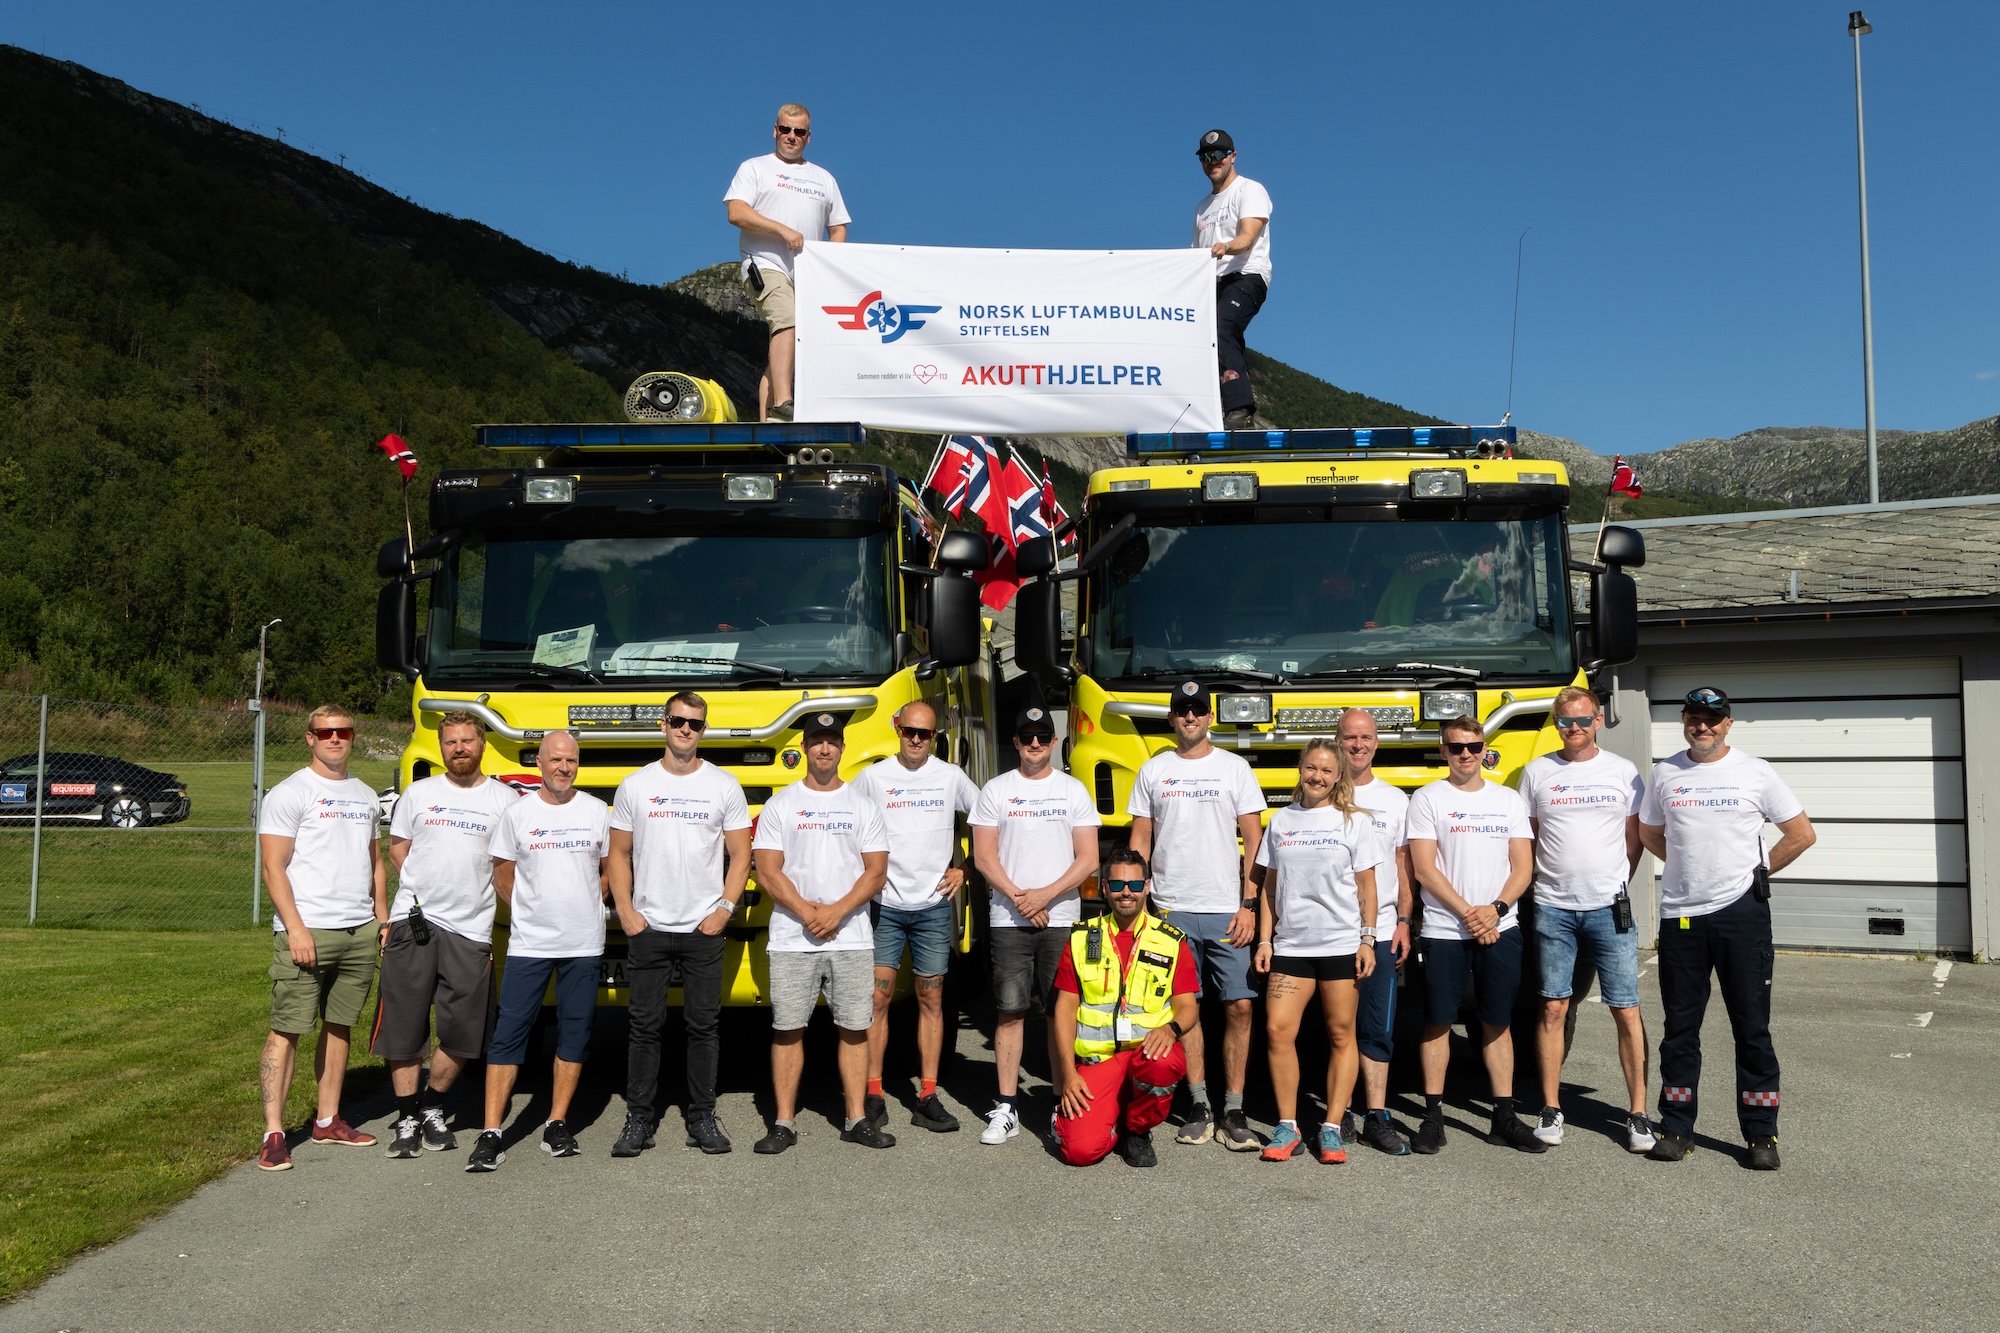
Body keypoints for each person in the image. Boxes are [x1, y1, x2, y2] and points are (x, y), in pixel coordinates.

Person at [1638, 687, 1816, 1170]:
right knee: (1680, 1031)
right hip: (1682, 917)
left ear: (1728, 724)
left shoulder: (1756, 772)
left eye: (1713, 719)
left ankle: (1762, 1136)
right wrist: (1685, 868)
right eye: (1695, 718)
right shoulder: (1665, 772)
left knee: (1752, 1029)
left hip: (1742, 915)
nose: (1703, 727)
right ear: (1683, 722)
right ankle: (1676, 1127)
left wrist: (1756, 874)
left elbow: (1801, 834)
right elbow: (1648, 832)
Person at [607, 690, 752, 1158]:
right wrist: (626, 912)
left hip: (702, 929)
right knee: (643, 1027)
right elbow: (619, 854)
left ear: (703, 729)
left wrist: (724, 910)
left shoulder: (724, 785)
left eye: (694, 723)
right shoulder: (635, 785)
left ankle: (702, 1116)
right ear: (663, 724)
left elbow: (741, 854)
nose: (685, 729)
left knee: (703, 1027)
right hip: (647, 927)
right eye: (677, 721)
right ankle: (638, 1119)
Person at [1126, 679, 1266, 1151]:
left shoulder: (1235, 768)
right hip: (1170, 907)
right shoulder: (1153, 770)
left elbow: (1255, 845)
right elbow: (1139, 842)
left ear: (1210, 718)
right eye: (1181, 711)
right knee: (1186, 1008)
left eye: (1197, 711)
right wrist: (1140, 900)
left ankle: (1235, 1106)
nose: (1189, 718)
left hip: (1227, 909)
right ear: (1171, 719)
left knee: (1240, 1006)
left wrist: (1249, 905)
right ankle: (1200, 1103)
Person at [376, 712, 518, 1159]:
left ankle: (432, 1106)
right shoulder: (418, 794)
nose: (459, 748)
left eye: (467, 741)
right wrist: (421, 891)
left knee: (463, 1033)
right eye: (451, 741)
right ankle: (406, 1118)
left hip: (472, 929)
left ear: (482, 746)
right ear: (441, 747)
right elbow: (399, 849)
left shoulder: (506, 800)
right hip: (414, 923)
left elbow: (512, 862)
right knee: (403, 1027)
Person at [465, 732, 610, 1172]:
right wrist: (530, 911)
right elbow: (502, 873)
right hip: (530, 943)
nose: (563, 768)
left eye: (570, 761)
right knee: (510, 1033)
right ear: (540, 763)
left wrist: (591, 901)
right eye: (555, 760)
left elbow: (612, 867)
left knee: (575, 1033)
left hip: (583, 944)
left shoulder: (596, 812)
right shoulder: (518, 813)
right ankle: (492, 1132)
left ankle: (556, 1122)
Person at [751, 712, 893, 1153]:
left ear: (842, 749)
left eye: (832, 741)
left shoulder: (864, 806)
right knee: (788, 1028)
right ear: (805, 749)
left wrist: (835, 912)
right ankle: (784, 1123)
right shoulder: (781, 804)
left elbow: (876, 874)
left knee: (854, 1028)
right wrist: (807, 912)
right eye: (817, 741)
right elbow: (767, 871)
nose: (825, 749)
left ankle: (855, 1119)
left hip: (850, 937)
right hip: (793, 938)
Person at [255, 705, 389, 1171]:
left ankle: (328, 1119)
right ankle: (273, 1133)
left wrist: (382, 918)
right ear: (309, 738)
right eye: (325, 732)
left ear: (352, 737)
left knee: (339, 1025)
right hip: (308, 930)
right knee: (288, 1028)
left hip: (358, 931)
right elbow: (273, 866)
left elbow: (375, 862)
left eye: (343, 732)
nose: (335, 739)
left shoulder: (367, 794)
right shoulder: (291, 792)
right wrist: (294, 928)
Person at [1519, 687, 1651, 1152]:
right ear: (1555, 725)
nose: (1572, 729)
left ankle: (1638, 1114)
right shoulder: (1537, 772)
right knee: (1554, 1006)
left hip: (1608, 909)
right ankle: (1551, 1108)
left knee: (1626, 1009)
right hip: (1552, 907)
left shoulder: (1623, 772)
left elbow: (1634, 840)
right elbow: (1527, 841)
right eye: (1563, 722)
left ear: (1598, 721)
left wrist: (1612, 883)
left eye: (1581, 720)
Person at [1406, 715, 1544, 1155]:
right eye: (1456, 746)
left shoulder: (1507, 800)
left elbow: (1524, 865)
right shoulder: (1427, 799)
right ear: (1443, 751)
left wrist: (1496, 910)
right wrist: (1470, 914)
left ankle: (1502, 1116)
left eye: (1473, 746)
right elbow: (1423, 867)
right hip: (1446, 930)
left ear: (1485, 750)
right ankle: (1433, 1116)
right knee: (1438, 1022)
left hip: (1501, 928)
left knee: (1497, 1022)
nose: (1465, 753)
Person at [970, 707, 1100, 1146]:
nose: (1035, 744)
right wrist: (1022, 900)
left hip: (1061, 918)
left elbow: (1089, 858)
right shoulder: (995, 790)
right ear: (1016, 741)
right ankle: (1006, 1106)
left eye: (1043, 736)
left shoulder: (1073, 790)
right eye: (1027, 737)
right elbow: (983, 857)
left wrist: (1043, 896)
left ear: (1054, 742)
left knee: (1062, 1013)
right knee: (1010, 1011)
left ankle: (1065, 1104)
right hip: (1009, 919)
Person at [1252, 738, 1382, 1164]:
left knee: (1342, 1034)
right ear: (1300, 768)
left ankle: (1330, 1128)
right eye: (1311, 768)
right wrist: (1266, 939)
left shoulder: (1354, 822)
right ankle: (1287, 1126)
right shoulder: (1281, 821)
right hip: (1290, 945)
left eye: (1327, 770)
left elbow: (1367, 885)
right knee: (1277, 1031)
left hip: (1341, 945)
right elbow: (1270, 887)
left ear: (1338, 776)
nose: (1318, 777)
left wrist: (1367, 938)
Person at [852, 700, 978, 1134]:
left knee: (931, 1001)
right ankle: (872, 1092)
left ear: (935, 735)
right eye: (910, 732)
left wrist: (967, 865)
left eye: (925, 734)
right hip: (885, 905)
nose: (917, 740)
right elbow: (847, 826)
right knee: (877, 1000)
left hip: (932, 908)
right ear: (896, 728)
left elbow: (987, 817)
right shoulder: (872, 777)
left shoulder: (950, 776)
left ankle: (927, 1094)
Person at [1050, 849, 1199, 1168]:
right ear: (1104, 888)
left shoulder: (1171, 941)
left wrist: (1170, 1029)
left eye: (1133, 884)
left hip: (1145, 1055)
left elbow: (1187, 1006)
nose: (1125, 892)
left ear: (1147, 886)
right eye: (1116, 885)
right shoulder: (1081, 938)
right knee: (1080, 1153)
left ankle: (1137, 1130)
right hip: (1098, 1061)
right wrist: (1067, 1072)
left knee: (1164, 1063)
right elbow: (1064, 1008)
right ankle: (1111, 1110)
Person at [725, 102, 850, 422]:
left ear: (808, 137)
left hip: (807, 275)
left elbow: (837, 228)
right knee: (786, 319)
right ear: (774, 131)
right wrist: (781, 230)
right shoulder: (754, 167)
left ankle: (770, 424)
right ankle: (784, 402)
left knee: (790, 341)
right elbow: (736, 212)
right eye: (785, 129)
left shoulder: (824, 178)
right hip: (764, 263)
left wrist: (829, 265)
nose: (791, 136)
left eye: (799, 132)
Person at [1337, 707, 1416, 1156]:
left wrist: (1405, 921)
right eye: (1350, 737)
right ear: (1338, 740)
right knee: (1337, 1027)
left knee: (1377, 1027)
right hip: (1332, 932)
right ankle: (1340, 1110)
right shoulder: (1322, 795)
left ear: (1377, 743)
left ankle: (1377, 1114)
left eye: (1366, 738)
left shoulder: (1395, 800)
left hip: (1383, 928)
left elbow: (1404, 868)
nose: (1358, 745)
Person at [1191, 128, 1272, 429]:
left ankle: (1240, 409)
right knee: (1203, 339)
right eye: (1206, 156)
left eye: (1219, 155)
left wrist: (1226, 247)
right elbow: (1195, 255)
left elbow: (1248, 238)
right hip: (1213, 284)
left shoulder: (1250, 190)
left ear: (1232, 157)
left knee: (1222, 326)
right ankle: (1215, 408)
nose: (1213, 161)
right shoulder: (1202, 208)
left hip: (1246, 275)